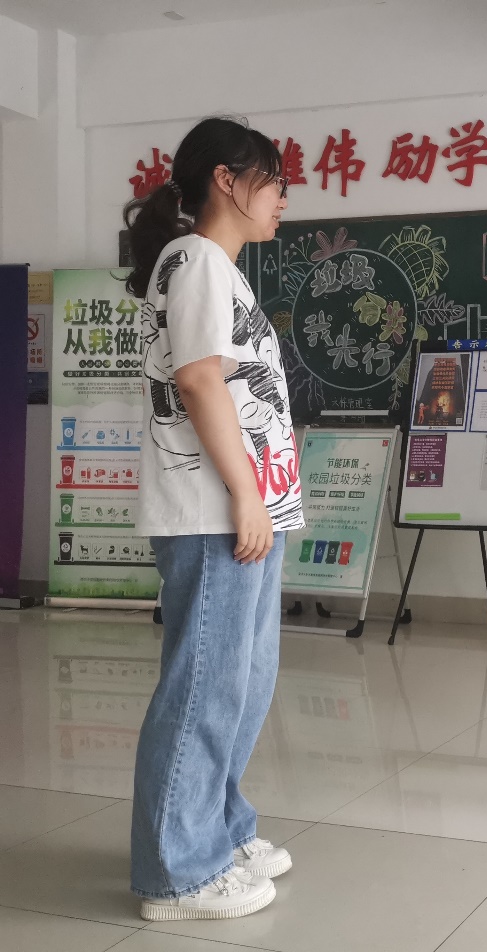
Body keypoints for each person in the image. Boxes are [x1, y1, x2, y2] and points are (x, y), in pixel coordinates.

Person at [124, 116, 304, 920]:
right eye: (274, 182)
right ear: (227, 181)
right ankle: (178, 873)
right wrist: (243, 493)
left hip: (242, 507)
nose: (284, 200)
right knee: (204, 687)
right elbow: (199, 382)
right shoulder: (195, 258)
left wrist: (260, 496)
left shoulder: (216, 267)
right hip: (214, 508)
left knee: (241, 684)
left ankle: (219, 832)